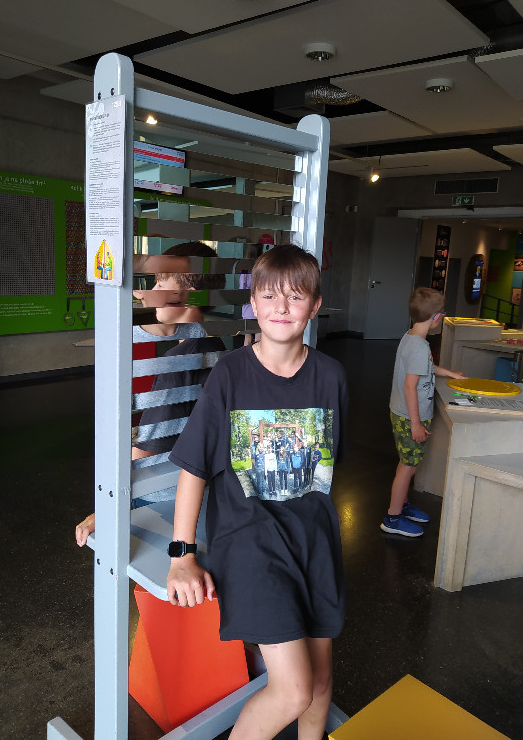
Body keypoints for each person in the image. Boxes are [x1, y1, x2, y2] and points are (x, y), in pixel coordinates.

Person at [166, 244, 348, 740]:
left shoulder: (332, 376)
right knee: (293, 691)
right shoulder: (230, 374)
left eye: (296, 296)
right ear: (253, 304)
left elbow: (326, 465)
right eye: (270, 296)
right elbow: (194, 467)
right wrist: (182, 554)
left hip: (314, 542)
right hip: (250, 544)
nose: (282, 307)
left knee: (320, 683)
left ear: (315, 305)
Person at [75, 241, 225, 547]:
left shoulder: (180, 359)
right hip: (201, 482)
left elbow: (147, 445)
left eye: (160, 283)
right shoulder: (213, 344)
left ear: (186, 293)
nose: (149, 292)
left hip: (158, 488)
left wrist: (108, 504)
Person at [381, 287, 466, 538]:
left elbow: (425, 368)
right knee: (407, 466)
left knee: (410, 463)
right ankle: (393, 517)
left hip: (405, 414)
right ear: (436, 318)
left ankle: (403, 504)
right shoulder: (418, 346)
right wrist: (416, 424)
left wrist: (450, 373)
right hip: (410, 417)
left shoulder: (411, 337)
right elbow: (410, 386)